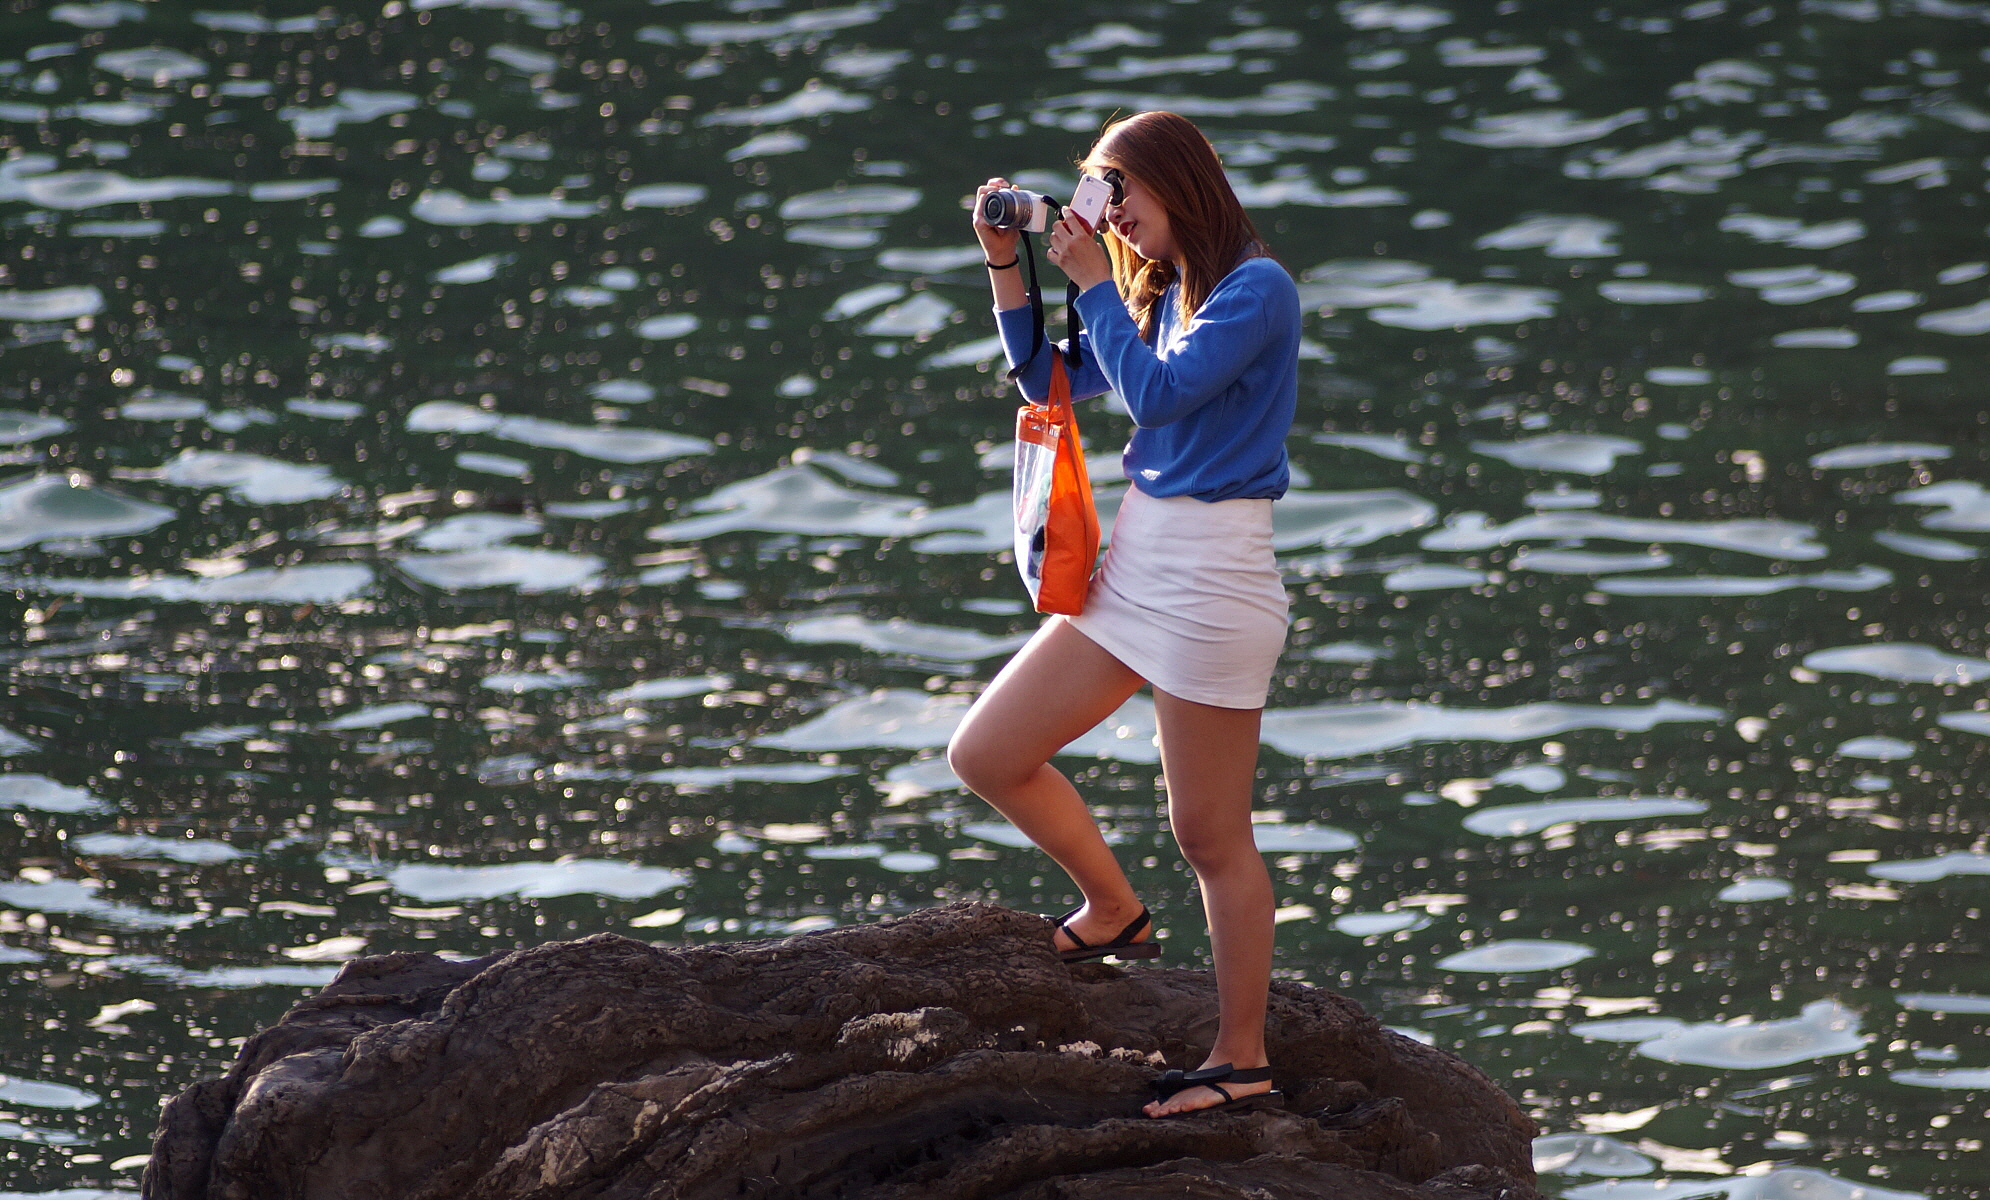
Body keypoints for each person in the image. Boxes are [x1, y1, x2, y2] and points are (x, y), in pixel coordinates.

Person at [947, 110, 1300, 1119]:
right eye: (1103, 206)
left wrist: (1096, 284)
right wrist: (1006, 266)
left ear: (1177, 186)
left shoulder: (1253, 291)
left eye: (1123, 202)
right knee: (988, 753)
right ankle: (1112, 908)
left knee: (1210, 837)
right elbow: (1048, 381)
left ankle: (1241, 1060)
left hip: (1215, 583)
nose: (1117, 226)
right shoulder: (1158, 293)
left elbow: (1158, 400)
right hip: (1135, 568)